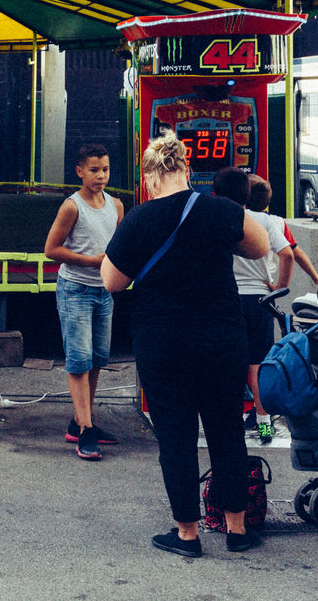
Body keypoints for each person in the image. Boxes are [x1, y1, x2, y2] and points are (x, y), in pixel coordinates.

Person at [101, 132, 269, 556]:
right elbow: (260, 247)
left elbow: (112, 281)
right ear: (186, 170)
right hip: (222, 338)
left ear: (149, 177)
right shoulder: (222, 209)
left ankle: (187, 534)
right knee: (226, 429)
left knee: (176, 435)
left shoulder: (138, 219)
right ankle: (236, 528)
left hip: (164, 342)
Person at [44, 143, 125, 461]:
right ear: (80, 172)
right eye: (94, 170)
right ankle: (87, 429)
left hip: (104, 291)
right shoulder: (71, 206)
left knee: (97, 359)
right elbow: (51, 249)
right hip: (75, 289)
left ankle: (81, 421)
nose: (101, 176)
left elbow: (118, 246)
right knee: (78, 360)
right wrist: (91, 262)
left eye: (105, 169)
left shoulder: (116, 205)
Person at [212, 168, 292, 446]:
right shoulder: (267, 222)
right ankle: (265, 426)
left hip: (229, 298)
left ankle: (229, 425)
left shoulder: (219, 218)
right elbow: (287, 254)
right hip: (261, 301)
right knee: (258, 366)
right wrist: (279, 286)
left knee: (229, 364)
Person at [247, 175, 318, 294]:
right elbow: (296, 253)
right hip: (262, 290)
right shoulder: (277, 222)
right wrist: (316, 278)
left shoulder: (231, 217)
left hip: (231, 290)